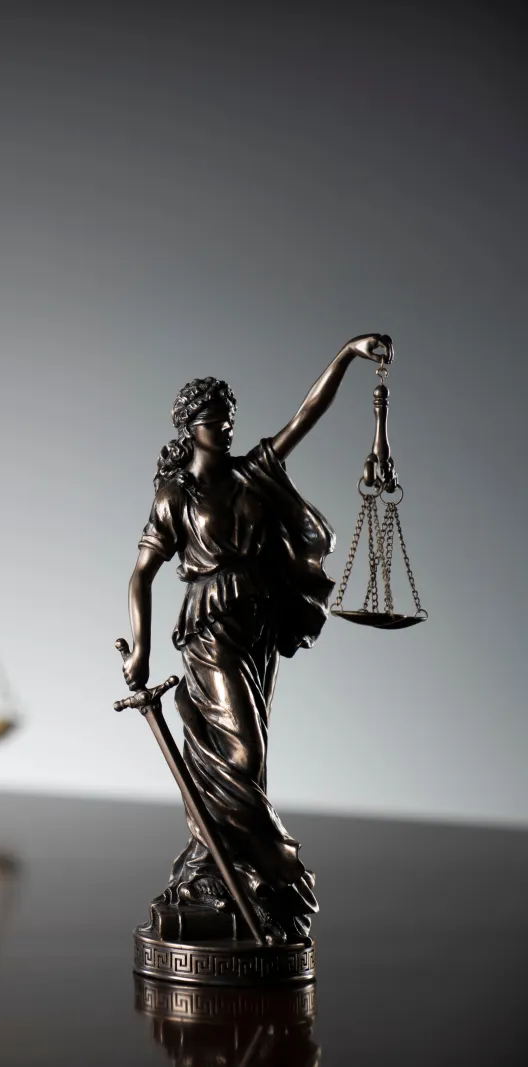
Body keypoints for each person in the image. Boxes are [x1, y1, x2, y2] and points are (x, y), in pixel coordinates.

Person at [121, 333, 391, 941]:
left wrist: (347, 355)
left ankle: (219, 865)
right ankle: (263, 868)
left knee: (252, 759)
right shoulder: (176, 496)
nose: (225, 427)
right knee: (238, 752)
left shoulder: (254, 471)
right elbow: (141, 574)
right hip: (210, 627)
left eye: (229, 418)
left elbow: (307, 415)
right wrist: (140, 648)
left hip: (259, 627)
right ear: (190, 427)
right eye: (214, 420)